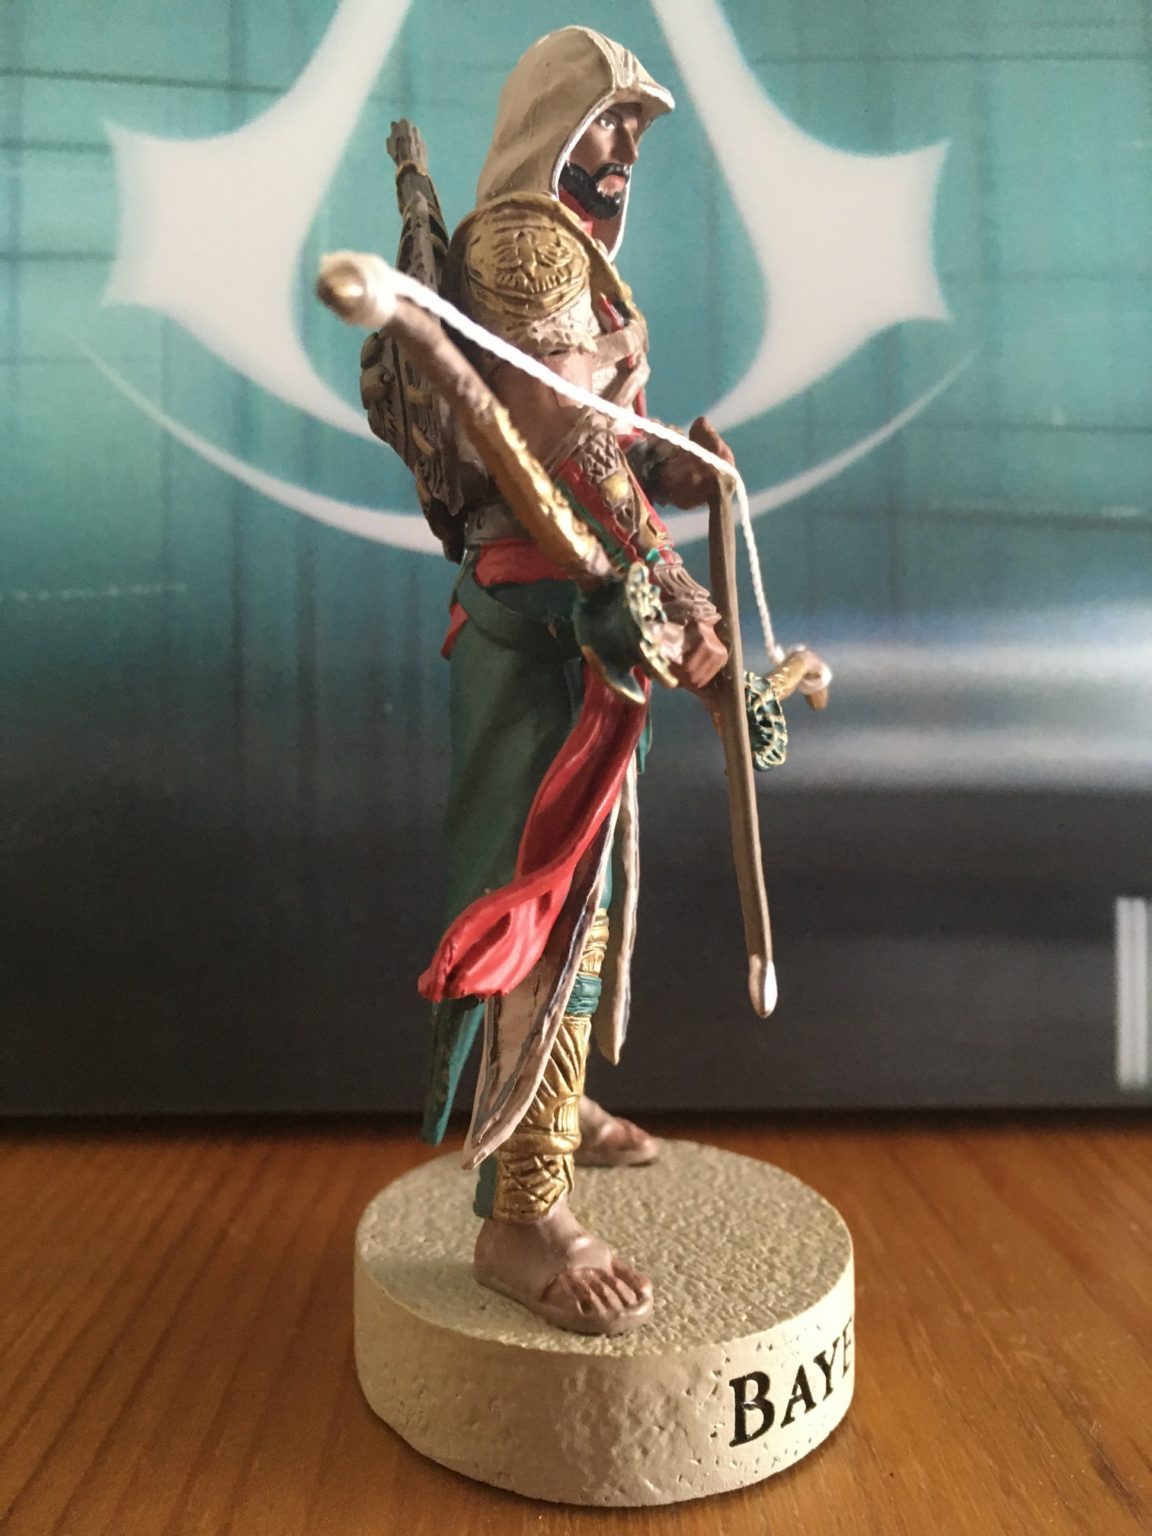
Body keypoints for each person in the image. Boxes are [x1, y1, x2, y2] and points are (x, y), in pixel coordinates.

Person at [418, 27, 736, 1335]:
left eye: (638, 126)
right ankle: (522, 1214)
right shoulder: (523, 245)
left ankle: (545, 1105)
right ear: (555, 116)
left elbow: (600, 434)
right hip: (549, 616)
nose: (625, 148)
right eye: (608, 118)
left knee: (581, 898)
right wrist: (669, 579)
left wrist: (669, 466)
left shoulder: (569, 246)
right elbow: (557, 442)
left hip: (588, 611)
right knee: (542, 909)